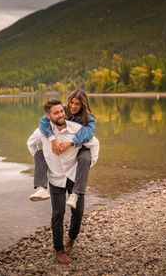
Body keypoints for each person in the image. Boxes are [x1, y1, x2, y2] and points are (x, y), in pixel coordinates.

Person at [27, 99, 99, 263]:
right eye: (56, 112)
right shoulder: (42, 131)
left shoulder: (76, 130)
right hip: (55, 178)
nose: (60, 114)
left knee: (78, 212)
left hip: (74, 176)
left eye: (61, 111)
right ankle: (59, 250)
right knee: (58, 214)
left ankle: (72, 239)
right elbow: (30, 144)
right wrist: (42, 160)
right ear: (48, 116)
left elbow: (95, 143)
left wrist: (89, 164)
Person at [29, 89, 96, 209]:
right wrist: (52, 140)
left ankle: (76, 193)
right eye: (71, 102)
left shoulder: (89, 118)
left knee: (85, 158)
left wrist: (71, 143)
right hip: (61, 154)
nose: (73, 106)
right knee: (40, 154)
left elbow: (89, 135)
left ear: (83, 105)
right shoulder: (63, 110)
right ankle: (41, 188)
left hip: (81, 147)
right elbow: (43, 121)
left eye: (77, 104)